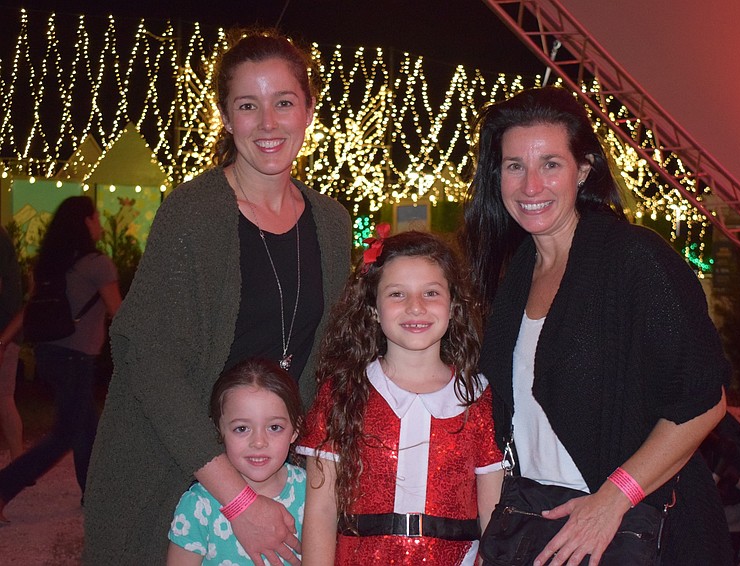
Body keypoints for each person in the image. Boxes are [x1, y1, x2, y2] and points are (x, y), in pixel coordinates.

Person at [83, 29, 351, 564]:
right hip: (174, 469)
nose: (268, 123)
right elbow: (148, 359)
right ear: (227, 118)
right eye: (248, 106)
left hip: (275, 469)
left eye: (284, 103)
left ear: (309, 110)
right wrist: (238, 499)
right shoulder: (194, 214)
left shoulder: (331, 222)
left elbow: (331, 358)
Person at [461, 86, 732, 566]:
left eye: (550, 164)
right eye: (514, 166)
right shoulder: (515, 272)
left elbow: (704, 402)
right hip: (538, 523)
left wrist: (613, 499)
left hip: (629, 530)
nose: (530, 186)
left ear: (583, 169)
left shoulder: (633, 259)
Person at [297, 228, 504, 565]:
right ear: (373, 308)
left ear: (454, 306)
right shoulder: (342, 393)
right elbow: (321, 512)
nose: (415, 307)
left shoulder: (477, 398)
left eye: (431, 293)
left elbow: (494, 516)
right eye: (397, 294)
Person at [0, 196, 121, 523]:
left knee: (86, 425)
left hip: (49, 354)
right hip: (75, 358)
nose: (99, 225)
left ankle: (94, 495)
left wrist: (3, 340)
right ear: (85, 222)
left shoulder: (52, 264)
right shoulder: (98, 264)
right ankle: (4, 487)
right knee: (65, 433)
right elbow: (119, 313)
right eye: (96, 218)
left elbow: (28, 309)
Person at [167, 358, 307, 566]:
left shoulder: (311, 492)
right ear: (219, 430)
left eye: (274, 427)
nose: (259, 442)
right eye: (241, 429)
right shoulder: (199, 505)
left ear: (295, 429)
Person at [0, 226, 23, 463]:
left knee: (4, 398)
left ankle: (20, 463)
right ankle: (20, 464)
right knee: (4, 397)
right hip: (8, 330)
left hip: (4, 331)